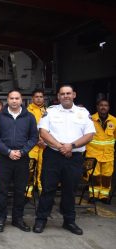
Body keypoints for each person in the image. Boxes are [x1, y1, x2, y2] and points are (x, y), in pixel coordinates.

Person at [33, 85, 95, 235]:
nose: (66, 96)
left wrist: (71, 146)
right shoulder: (50, 112)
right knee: (48, 189)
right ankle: (41, 220)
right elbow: (43, 132)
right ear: (58, 97)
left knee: (70, 190)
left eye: (68, 93)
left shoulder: (83, 112)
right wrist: (61, 147)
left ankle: (69, 221)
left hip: (74, 157)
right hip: (53, 156)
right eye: (62, 94)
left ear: (74, 94)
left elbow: (89, 134)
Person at [0, 90, 38, 233]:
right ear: (7, 99)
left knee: (20, 190)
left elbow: (34, 138)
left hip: (22, 159)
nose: (14, 101)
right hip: (4, 158)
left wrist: (22, 152)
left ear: (21, 99)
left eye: (17, 98)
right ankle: (1, 219)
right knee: (2, 190)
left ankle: (18, 219)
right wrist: (8, 152)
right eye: (11, 98)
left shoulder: (29, 117)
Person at [86, 99, 116, 203]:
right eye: (101, 105)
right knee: (94, 175)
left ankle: (104, 196)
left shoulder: (114, 120)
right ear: (97, 107)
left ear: (108, 107)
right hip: (93, 153)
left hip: (108, 154)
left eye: (106, 105)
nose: (103, 107)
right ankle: (93, 195)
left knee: (107, 176)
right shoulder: (90, 119)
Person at [27, 89, 47, 196]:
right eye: (36, 97)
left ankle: (40, 189)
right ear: (32, 98)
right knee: (30, 168)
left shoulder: (48, 111)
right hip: (31, 145)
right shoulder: (27, 110)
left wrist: (45, 140)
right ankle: (28, 193)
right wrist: (37, 139)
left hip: (44, 144)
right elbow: (26, 128)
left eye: (41, 97)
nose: (39, 98)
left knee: (42, 167)